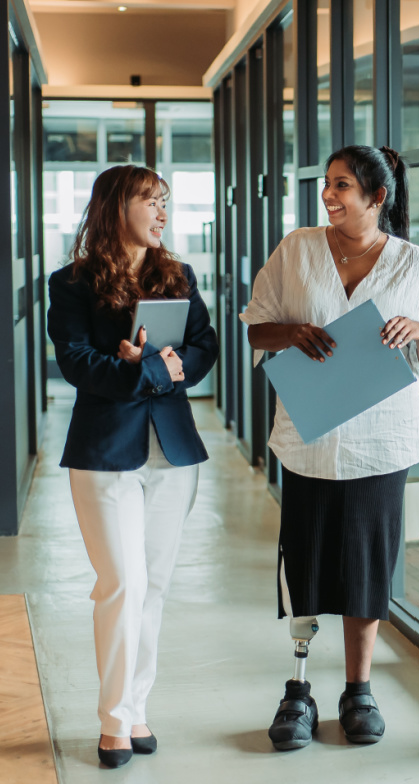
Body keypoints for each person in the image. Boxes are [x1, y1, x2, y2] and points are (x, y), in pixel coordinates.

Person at [241, 145, 419, 748]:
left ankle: (358, 691)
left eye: (342, 186)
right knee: (305, 564)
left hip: (379, 446)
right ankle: (300, 688)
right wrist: (294, 331)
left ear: (377, 198)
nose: (329, 196)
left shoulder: (412, 265)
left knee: (365, 568)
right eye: (327, 185)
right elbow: (257, 324)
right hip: (309, 440)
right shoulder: (298, 249)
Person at [47, 165, 219, 769]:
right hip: (104, 451)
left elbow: (205, 346)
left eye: (165, 201)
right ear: (117, 206)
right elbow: (77, 362)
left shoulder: (178, 275)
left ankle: (135, 708)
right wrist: (147, 370)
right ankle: (113, 722)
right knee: (122, 584)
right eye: (151, 200)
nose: (162, 212)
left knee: (155, 585)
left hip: (171, 452)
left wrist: (161, 367)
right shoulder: (70, 284)